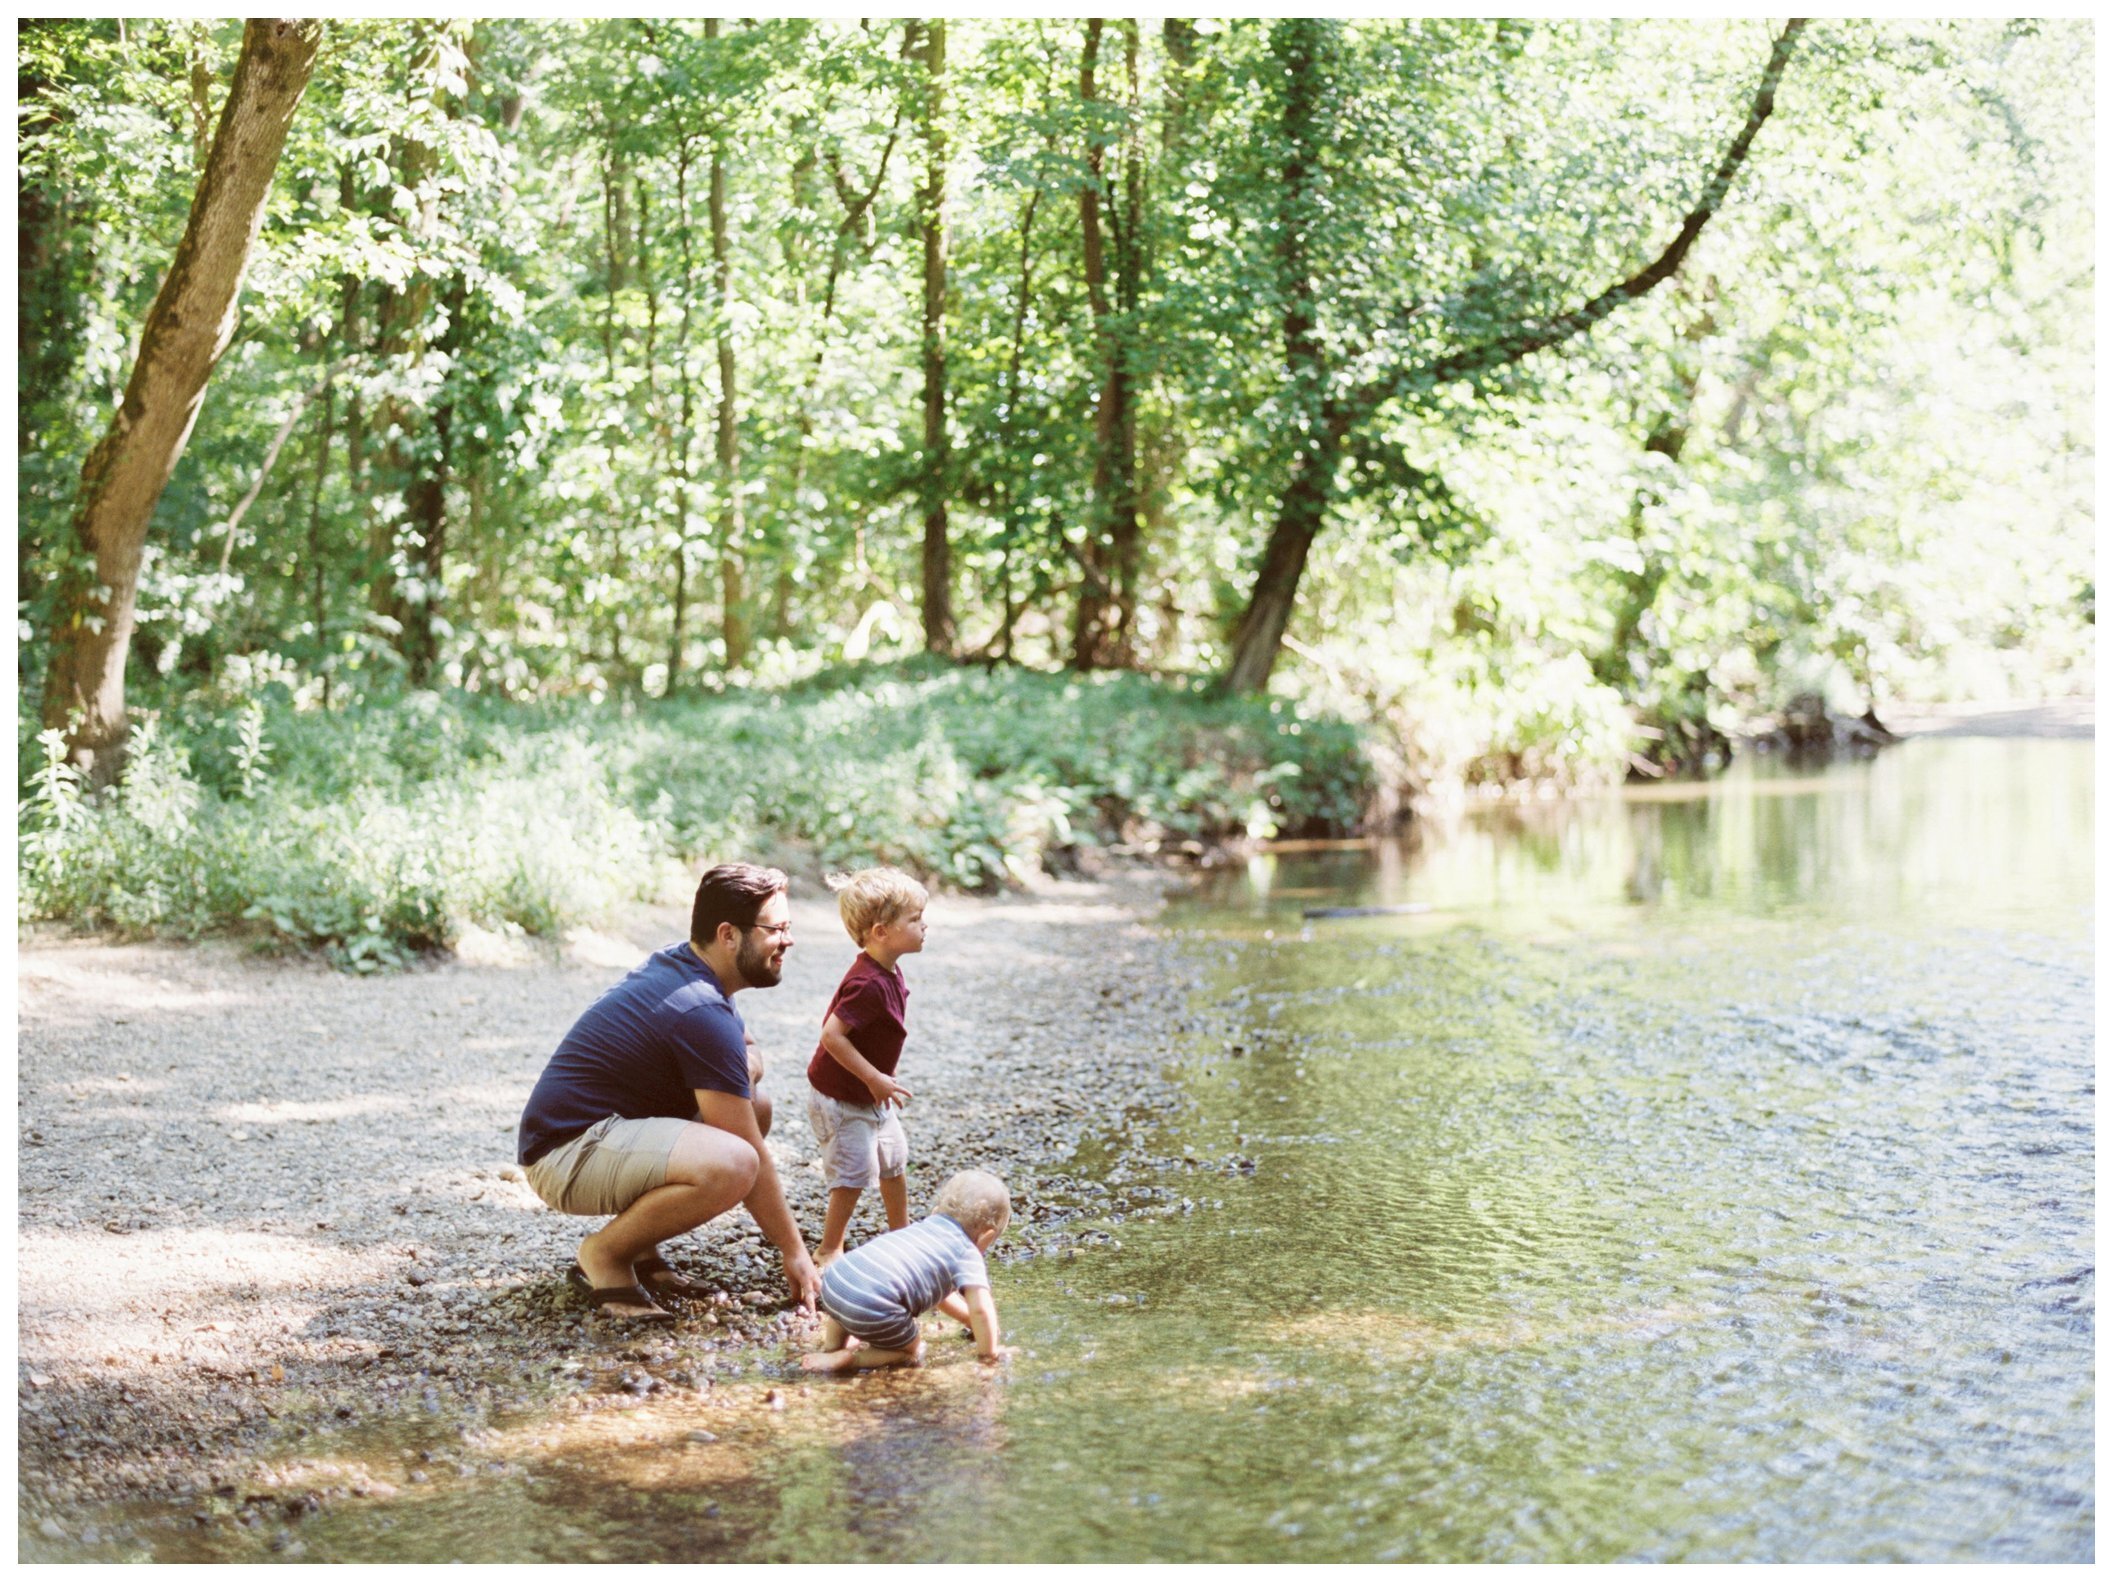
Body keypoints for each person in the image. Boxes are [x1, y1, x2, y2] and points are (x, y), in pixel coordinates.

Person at [516, 863, 821, 1323]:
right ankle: (605, 1256)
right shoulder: (698, 1007)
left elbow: (748, 1051)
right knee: (735, 1162)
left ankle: (641, 1249)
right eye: (776, 928)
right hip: (564, 1154)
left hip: (601, 1133)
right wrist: (795, 1251)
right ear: (728, 935)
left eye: (788, 927)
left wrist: (745, 1067)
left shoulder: (691, 966)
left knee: (754, 1106)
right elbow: (748, 1149)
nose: (788, 940)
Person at [804, 866, 928, 1266]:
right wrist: (875, 1077)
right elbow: (831, 1036)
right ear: (880, 931)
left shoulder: (889, 970)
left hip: (871, 1092)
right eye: (914, 919)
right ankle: (829, 1248)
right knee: (853, 1173)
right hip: (842, 1098)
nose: (925, 925)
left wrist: (877, 1083)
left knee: (894, 1160)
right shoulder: (868, 984)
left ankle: (902, 1234)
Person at [801, 1169, 1015, 1372]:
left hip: (836, 1280)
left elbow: (939, 1295)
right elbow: (981, 1309)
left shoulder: (923, 1229)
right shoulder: (967, 1252)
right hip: (870, 1302)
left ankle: (832, 1346)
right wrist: (990, 1355)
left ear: (935, 1212)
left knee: (854, 1294)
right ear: (987, 1236)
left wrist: (968, 1321)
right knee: (912, 1351)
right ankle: (849, 1359)